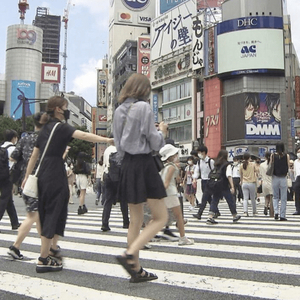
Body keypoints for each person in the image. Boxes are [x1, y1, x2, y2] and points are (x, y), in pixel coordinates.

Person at [22, 96, 112, 273]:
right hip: (55, 172)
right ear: (57, 109)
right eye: (65, 107)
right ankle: (43, 258)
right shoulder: (61, 128)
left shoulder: (44, 129)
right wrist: (106, 140)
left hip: (42, 174)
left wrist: (27, 176)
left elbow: (34, 156)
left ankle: (52, 249)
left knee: (48, 211)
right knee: (55, 211)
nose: (66, 111)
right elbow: (84, 135)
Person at [113, 73, 168, 283]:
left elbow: (118, 145)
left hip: (127, 164)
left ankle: (136, 270)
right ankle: (130, 255)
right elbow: (154, 141)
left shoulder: (118, 111)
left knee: (135, 221)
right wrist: (161, 131)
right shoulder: (144, 107)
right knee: (160, 217)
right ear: (144, 90)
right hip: (144, 164)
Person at [8, 113, 43, 259]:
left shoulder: (25, 139)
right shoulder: (46, 139)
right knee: (33, 215)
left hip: (26, 180)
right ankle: (15, 246)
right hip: (41, 179)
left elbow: (12, 157)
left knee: (40, 215)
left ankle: (48, 246)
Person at [159, 144, 194, 246]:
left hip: (166, 194)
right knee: (179, 216)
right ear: (172, 156)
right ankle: (183, 238)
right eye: (175, 154)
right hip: (171, 194)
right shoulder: (171, 167)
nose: (177, 155)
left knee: (160, 218)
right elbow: (167, 183)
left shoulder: (164, 167)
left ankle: (146, 236)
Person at [205, 150, 241, 225]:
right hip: (224, 185)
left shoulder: (216, 164)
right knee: (230, 200)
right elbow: (229, 176)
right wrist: (232, 186)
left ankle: (210, 217)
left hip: (216, 185)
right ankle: (234, 215)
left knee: (214, 201)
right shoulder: (226, 164)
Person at [101, 142, 129, 232]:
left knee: (108, 200)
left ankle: (105, 223)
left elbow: (105, 164)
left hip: (108, 176)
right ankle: (126, 222)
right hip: (120, 177)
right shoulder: (121, 149)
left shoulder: (107, 150)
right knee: (123, 201)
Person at [192, 145, 220, 219]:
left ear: (204, 152)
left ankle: (199, 213)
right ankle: (216, 211)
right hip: (203, 181)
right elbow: (197, 171)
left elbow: (215, 171)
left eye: (200, 152)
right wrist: (194, 179)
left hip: (210, 181)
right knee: (208, 198)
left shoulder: (210, 161)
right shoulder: (199, 162)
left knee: (204, 198)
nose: (199, 154)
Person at [0, 129, 20, 230]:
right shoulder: (13, 149)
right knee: (4, 199)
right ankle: (15, 223)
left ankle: (15, 222)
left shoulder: (1, 146)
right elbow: (15, 163)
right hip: (7, 176)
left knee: (8, 200)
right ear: (13, 138)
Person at [270, 142, 289, 221]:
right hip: (283, 177)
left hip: (275, 177)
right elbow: (288, 165)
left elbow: (271, 165)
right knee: (283, 198)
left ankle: (276, 212)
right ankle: (282, 215)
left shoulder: (273, 156)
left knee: (275, 196)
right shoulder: (286, 156)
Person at [259, 152, 274, 217]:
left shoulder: (261, 165)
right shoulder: (272, 164)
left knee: (266, 196)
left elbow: (260, 174)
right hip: (271, 182)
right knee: (271, 198)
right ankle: (271, 211)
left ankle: (265, 206)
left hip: (264, 182)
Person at [293, 149, 300, 215]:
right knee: (297, 195)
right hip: (297, 178)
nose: (299, 153)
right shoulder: (295, 162)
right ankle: (298, 209)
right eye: (298, 152)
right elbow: (295, 171)